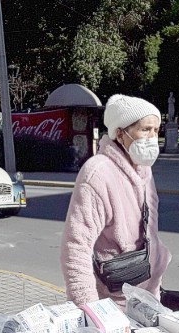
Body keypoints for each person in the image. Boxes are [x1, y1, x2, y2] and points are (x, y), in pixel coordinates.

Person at [60, 94, 172, 307]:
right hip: (110, 304)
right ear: (120, 134)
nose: (152, 138)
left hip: (144, 297)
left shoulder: (144, 171)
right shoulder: (97, 174)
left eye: (156, 131)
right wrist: (91, 311)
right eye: (145, 130)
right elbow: (75, 248)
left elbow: (151, 237)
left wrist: (154, 295)